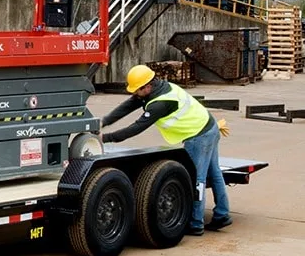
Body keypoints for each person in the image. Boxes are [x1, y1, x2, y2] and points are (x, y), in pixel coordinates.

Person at [99, 64, 231, 236]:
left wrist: (106, 138)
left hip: (198, 136)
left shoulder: (160, 103)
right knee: (214, 173)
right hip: (209, 125)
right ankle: (222, 214)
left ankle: (196, 223)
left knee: (196, 179)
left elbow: (136, 128)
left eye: (137, 90)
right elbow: (128, 105)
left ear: (147, 86)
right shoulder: (157, 88)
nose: (134, 94)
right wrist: (104, 121)